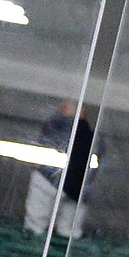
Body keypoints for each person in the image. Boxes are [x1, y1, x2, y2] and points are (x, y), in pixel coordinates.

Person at [23, 99, 102, 239]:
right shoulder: (93, 137)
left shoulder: (56, 125)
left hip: (49, 179)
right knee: (68, 232)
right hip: (77, 190)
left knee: (35, 226)